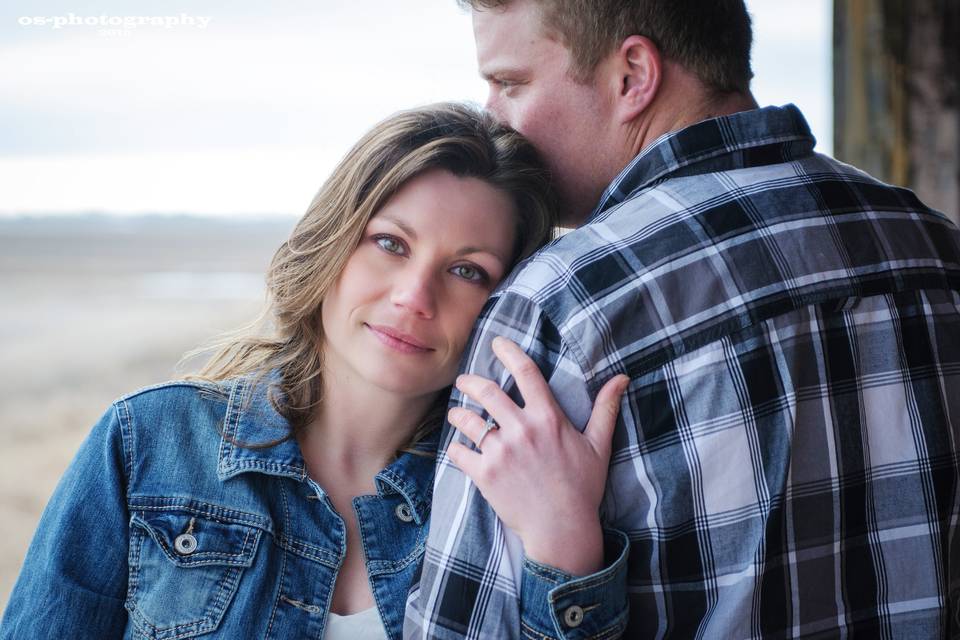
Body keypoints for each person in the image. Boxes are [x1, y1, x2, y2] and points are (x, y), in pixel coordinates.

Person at [406, 2, 960, 639]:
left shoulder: (565, 305)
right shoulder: (936, 248)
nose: (492, 116)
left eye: (510, 83)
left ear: (633, 75)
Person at [0, 103, 632, 640]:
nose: (414, 296)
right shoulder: (147, 443)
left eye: (467, 270)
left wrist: (566, 548)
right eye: (391, 243)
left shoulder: (507, 493)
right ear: (335, 240)